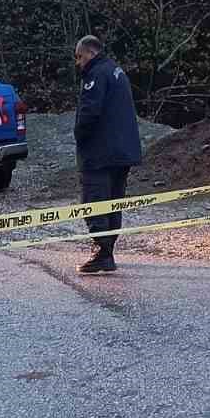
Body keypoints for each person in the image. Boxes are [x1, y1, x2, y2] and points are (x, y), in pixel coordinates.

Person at [72, 36, 143, 275]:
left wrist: (79, 136)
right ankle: (107, 251)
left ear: (90, 54)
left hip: (100, 152)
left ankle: (102, 253)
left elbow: (90, 113)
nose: (78, 63)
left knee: (94, 202)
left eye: (80, 57)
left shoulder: (96, 74)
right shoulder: (115, 71)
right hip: (121, 151)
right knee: (114, 202)